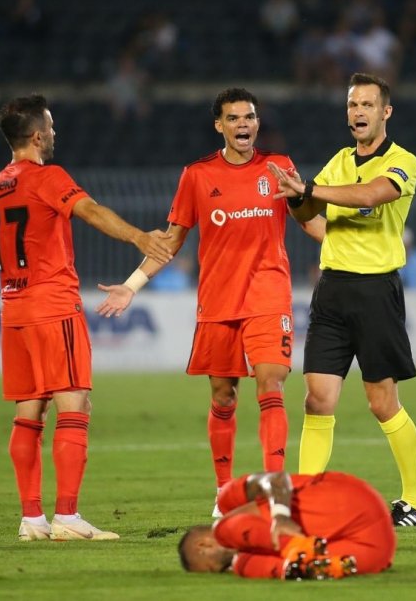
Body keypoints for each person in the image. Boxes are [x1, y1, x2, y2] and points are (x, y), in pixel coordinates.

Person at [97, 88, 319, 516]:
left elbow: (307, 221)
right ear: (219, 125)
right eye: (233, 118)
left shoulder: (280, 168)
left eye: (249, 117)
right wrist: (132, 285)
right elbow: (172, 240)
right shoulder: (197, 175)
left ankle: (277, 493)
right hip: (218, 301)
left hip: (268, 293)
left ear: (257, 122)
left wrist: (352, 244)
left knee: (271, 381)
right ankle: (224, 490)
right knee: (223, 397)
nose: (243, 125)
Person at [0, 94, 173, 541]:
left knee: (28, 411)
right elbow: (88, 210)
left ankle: (32, 519)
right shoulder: (46, 177)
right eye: (49, 127)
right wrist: (138, 237)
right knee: (75, 402)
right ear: (36, 136)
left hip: (14, 308)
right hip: (52, 303)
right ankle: (67, 517)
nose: (54, 134)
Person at [268, 72, 416, 527]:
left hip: (376, 291)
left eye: (366, 105)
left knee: (382, 403)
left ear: (386, 112)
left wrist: (311, 191)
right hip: (332, 292)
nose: (357, 113)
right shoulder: (338, 161)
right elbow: (308, 213)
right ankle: (303, 504)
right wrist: (296, 198)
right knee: (317, 399)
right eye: (352, 105)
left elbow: (374, 194)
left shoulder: (403, 161)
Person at [178, 470, 395, 580]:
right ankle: (298, 561)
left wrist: (280, 515)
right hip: (376, 548)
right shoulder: (252, 548)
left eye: (217, 567)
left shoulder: (228, 501)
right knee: (249, 562)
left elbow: (274, 479)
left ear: (203, 545)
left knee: (226, 531)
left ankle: (296, 549)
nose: (225, 569)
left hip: (348, 501)